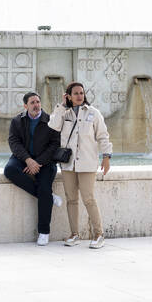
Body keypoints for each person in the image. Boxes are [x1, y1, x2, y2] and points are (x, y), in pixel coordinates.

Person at [48, 82, 112, 249]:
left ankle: (99, 234)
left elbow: (103, 136)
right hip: (69, 164)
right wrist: (62, 105)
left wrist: (106, 157)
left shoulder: (94, 113)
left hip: (87, 163)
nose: (79, 96)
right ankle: (74, 234)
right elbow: (52, 125)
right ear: (69, 96)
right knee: (71, 200)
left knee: (89, 198)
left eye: (81, 93)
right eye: (75, 93)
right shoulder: (64, 113)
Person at [4, 92, 63, 246]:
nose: (36, 105)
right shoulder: (17, 121)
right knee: (9, 170)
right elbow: (13, 142)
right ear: (25, 106)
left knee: (44, 188)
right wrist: (28, 160)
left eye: (38, 101)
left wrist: (38, 162)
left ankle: (44, 232)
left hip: (45, 161)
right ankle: (49, 197)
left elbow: (55, 144)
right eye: (32, 103)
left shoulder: (51, 120)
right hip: (24, 158)